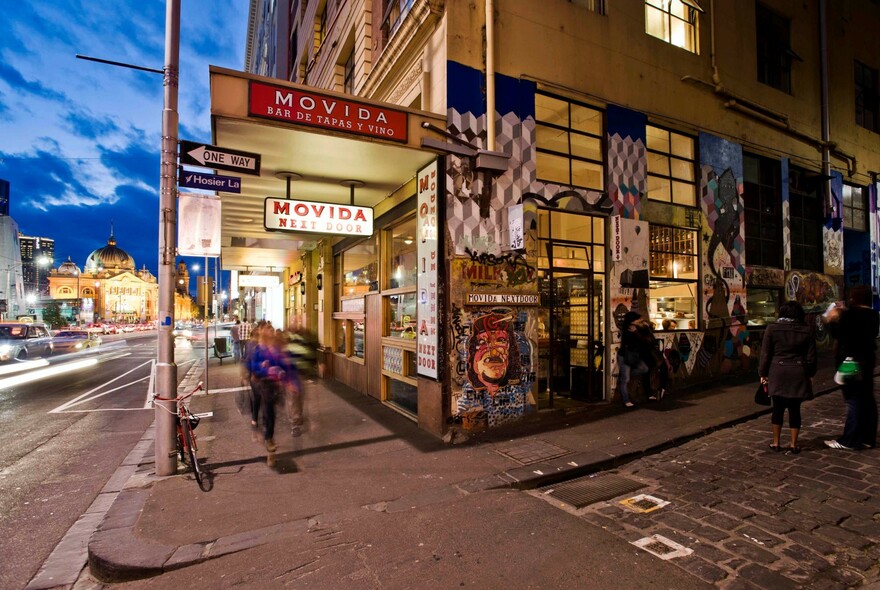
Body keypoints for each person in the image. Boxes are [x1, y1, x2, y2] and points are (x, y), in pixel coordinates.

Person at [823, 285, 879, 450]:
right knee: (867, 398)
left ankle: (849, 439)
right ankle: (867, 438)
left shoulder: (850, 315)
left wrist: (832, 319)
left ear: (854, 298)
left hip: (851, 361)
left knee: (853, 399)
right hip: (867, 360)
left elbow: (839, 335)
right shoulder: (874, 315)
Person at [758, 300, 817, 454]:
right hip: (798, 372)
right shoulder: (807, 330)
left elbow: (765, 355)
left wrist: (763, 373)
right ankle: (793, 444)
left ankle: (776, 443)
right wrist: (810, 374)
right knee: (795, 409)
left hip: (777, 371)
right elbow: (811, 357)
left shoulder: (772, 328)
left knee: (777, 408)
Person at [247, 323, 283, 464]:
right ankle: (269, 442)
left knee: (271, 413)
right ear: (262, 332)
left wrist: (281, 370)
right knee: (267, 411)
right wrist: (263, 368)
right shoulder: (257, 348)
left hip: (273, 384)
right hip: (261, 383)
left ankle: (268, 437)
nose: (272, 331)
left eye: (272, 329)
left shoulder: (274, 347)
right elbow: (251, 365)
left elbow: (281, 362)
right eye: (269, 329)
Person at [617, 311, 653, 407]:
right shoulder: (629, 329)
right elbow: (639, 341)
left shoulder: (638, 328)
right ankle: (626, 400)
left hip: (633, 356)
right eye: (638, 319)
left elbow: (646, 339)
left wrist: (642, 327)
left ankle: (629, 374)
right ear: (632, 321)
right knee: (625, 379)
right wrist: (637, 331)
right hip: (625, 356)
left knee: (644, 369)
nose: (640, 320)